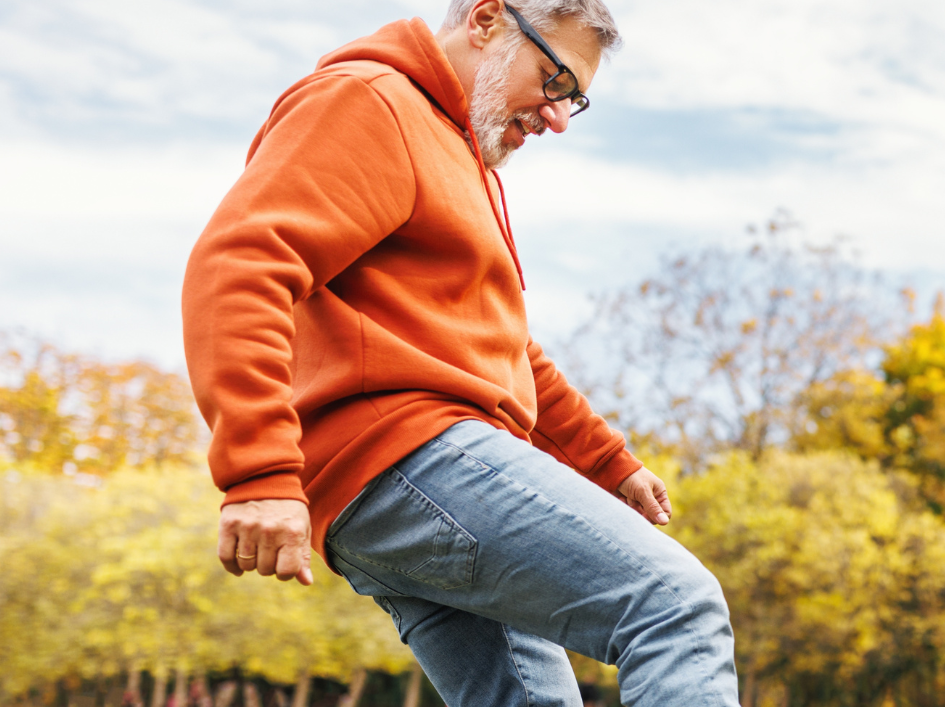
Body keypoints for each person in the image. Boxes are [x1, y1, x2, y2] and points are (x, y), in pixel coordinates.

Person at [180, 2, 738, 705]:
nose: (557, 116)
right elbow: (241, 265)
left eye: (575, 99)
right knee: (673, 604)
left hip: (406, 479)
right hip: (410, 454)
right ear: (485, 20)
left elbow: (502, 344)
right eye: (553, 78)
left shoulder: (457, 155)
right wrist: (259, 470)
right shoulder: (372, 101)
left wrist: (605, 459)